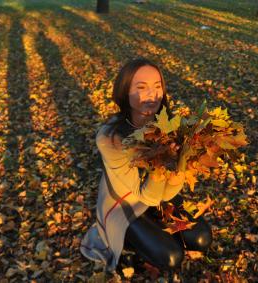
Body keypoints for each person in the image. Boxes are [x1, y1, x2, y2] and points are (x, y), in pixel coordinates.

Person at [80, 58, 212, 273]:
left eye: (157, 86)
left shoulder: (168, 123)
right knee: (171, 257)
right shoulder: (110, 137)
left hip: (162, 195)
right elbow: (145, 196)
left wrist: (179, 172)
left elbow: (166, 195)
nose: (152, 95)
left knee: (201, 239)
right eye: (141, 87)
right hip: (125, 203)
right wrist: (161, 168)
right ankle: (129, 244)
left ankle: (154, 232)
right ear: (124, 92)